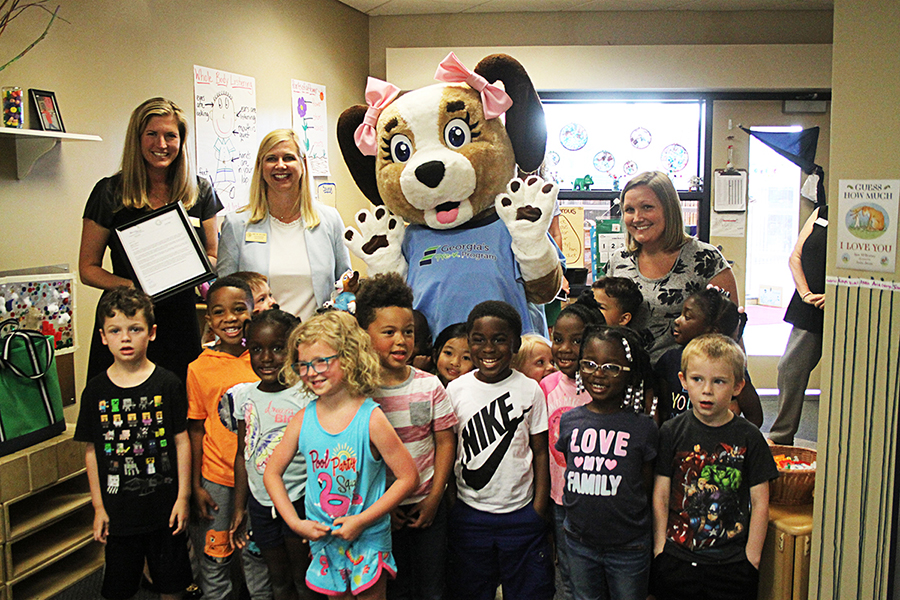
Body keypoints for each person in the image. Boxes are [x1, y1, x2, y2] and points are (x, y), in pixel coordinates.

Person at [264, 311, 418, 599]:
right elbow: (271, 473)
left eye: (322, 361)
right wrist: (296, 523)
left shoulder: (370, 418)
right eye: (303, 365)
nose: (311, 372)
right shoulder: (301, 420)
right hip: (323, 539)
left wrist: (362, 520)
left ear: (348, 358)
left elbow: (408, 477)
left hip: (368, 538)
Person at [80, 97, 221, 384]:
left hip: (180, 319)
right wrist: (135, 287)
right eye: (152, 134)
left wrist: (190, 270)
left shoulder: (200, 191)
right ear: (137, 139)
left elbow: (214, 256)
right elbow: (88, 268)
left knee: (180, 406)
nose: (162, 144)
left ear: (182, 141)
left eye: (171, 135)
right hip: (126, 319)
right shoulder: (109, 193)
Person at [75, 287, 193, 600]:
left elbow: (181, 441)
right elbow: (92, 451)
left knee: (173, 585)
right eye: (115, 331)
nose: (125, 338)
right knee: (119, 588)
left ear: (151, 333)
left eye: (135, 329)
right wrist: (98, 506)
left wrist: (183, 497)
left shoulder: (168, 383)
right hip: (119, 512)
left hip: (165, 507)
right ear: (103, 337)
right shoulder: (95, 391)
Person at [651, 334, 778, 600]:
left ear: (738, 386)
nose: (707, 390)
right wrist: (660, 547)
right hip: (678, 557)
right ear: (683, 381)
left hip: (731, 562)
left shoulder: (749, 437)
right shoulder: (671, 431)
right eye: (697, 380)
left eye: (719, 381)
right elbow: (661, 493)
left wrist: (751, 558)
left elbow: (760, 502)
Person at [355, 273, 458, 600]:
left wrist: (434, 498)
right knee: (394, 587)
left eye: (408, 332)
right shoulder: (359, 392)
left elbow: (444, 442)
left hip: (428, 504)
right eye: (389, 332)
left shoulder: (429, 386)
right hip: (380, 509)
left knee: (431, 587)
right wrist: (385, 504)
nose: (401, 340)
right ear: (364, 335)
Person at [446, 301, 554, 600]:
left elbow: (540, 451)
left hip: (521, 514)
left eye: (499, 339)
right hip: (470, 515)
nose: (489, 349)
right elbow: (449, 449)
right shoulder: (456, 390)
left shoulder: (529, 389)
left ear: (515, 344)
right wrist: (454, 503)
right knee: (471, 589)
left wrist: (538, 509)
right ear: (470, 341)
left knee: (530, 590)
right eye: (479, 340)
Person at [556, 325, 659, 600]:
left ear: (630, 374)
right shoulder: (570, 420)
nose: (598, 373)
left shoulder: (643, 428)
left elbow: (645, 486)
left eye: (611, 367)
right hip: (579, 542)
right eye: (589, 364)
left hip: (628, 546)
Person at [185, 276, 270, 599]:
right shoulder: (199, 368)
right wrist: (194, 485)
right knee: (215, 553)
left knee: (256, 553)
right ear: (209, 319)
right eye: (219, 312)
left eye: (239, 309)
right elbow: (195, 429)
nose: (230, 319)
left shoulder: (266, 360)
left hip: (261, 476)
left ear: (253, 311)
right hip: (217, 478)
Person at [229, 309, 317, 600]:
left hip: (299, 501)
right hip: (261, 505)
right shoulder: (244, 396)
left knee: (305, 579)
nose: (266, 358)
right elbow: (244, 455)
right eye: (257, 349)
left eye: (278, 349)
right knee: (278, 579)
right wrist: (239, 507)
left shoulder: (306, 397)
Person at [218, 129, 352, 320]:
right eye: (271, 159)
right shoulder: (237, 224)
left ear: (303, 164)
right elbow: (224, 297)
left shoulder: (330, 220)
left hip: (317, 341)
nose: (280, 165)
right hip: (260, 344)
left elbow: (345, 286)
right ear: (260, 167)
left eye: (288, 158)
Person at [606, 171, 738, 363]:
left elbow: (731, 334)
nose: (637, 218)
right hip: (629, 379)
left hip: (687, 380)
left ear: (669, 209)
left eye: (647, 207)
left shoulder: (707, 259)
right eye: (629, 210)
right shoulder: (619, 261)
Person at [540, 298, 605, 600]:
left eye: (577, 341)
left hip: (598, 498)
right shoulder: (546, 386)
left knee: (596, 570)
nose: (565, 348)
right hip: (560, 498)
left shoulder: (602, 388)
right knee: (567, 567)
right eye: (558, 339)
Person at [653, 287, 763, 427]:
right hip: (679, 442)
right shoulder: (669, 360)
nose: (677, 321)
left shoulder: (729, 364)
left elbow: (755, 416)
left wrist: (738, 439)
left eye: (687, 317)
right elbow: (662, 412)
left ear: (711, 331)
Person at [768, 205, 827, 445]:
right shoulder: (821, 211)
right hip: (810, 304)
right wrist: (805, 294)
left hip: (846, 304)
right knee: (789, 368)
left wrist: (836, 294)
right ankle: (781, 437)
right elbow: (796, 257)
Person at [431, 323, 473, 387]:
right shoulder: (426, 384)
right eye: (448, 353)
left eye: (466, 358)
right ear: (435, 355)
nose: (455, 362)